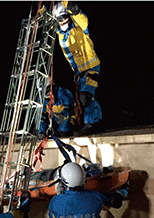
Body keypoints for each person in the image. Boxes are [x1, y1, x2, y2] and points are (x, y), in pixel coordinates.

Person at [53, 1, 102, 136]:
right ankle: (98, 121)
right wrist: (76, 71)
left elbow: (84, 20)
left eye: (64, 19)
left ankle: (90, 125)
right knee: (86, 99)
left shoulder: (79, 27)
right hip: (80, 71)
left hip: (92, 67)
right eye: (60, 21)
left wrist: (73, 9)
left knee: (85, 96)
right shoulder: (62, 36)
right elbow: (70, 57)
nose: (63, 23)